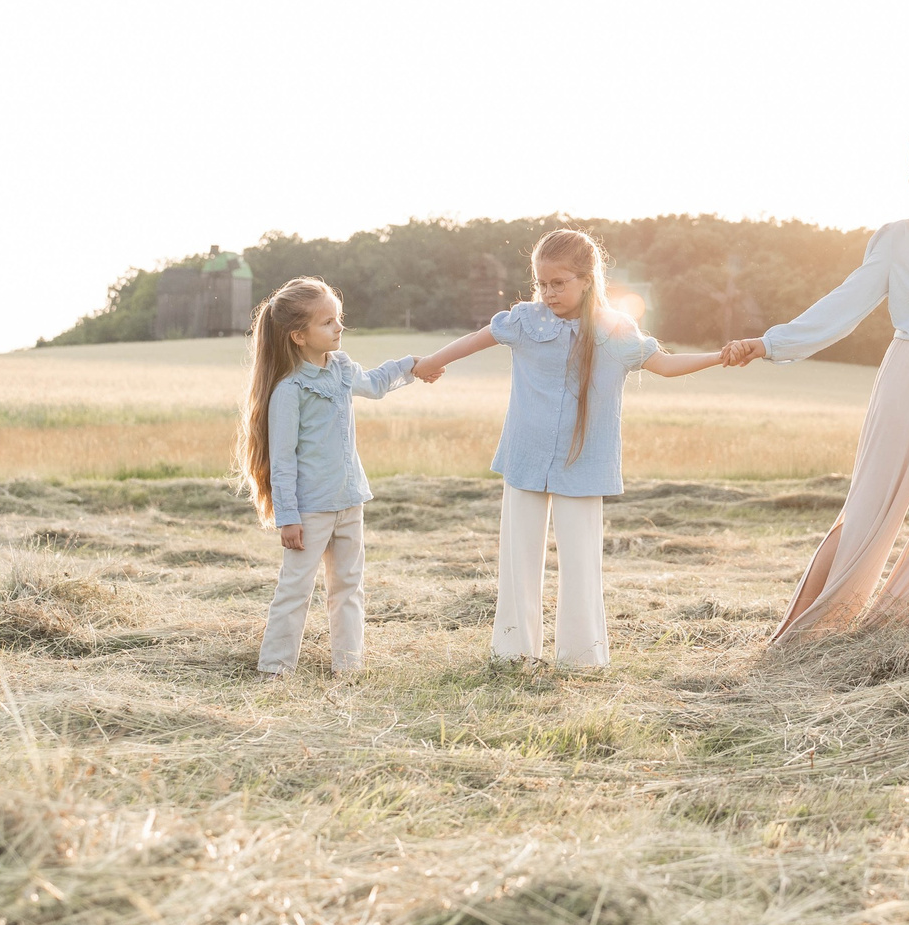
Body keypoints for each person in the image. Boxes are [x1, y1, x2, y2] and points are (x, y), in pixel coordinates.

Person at [722, 128, 909, 642]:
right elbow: (845, 306)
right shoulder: (898, 238)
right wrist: (773, 343)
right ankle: (799, 637)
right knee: (869, 510)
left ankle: (898, 636)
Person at [415, 229, 725, 667]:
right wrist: (431, 362)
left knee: (580, 563)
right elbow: (475, 338)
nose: (548, 292)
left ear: (587, 279)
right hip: (526, 456)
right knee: (518, 559)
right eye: (542, 283)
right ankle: (512, 654)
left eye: (558, 283)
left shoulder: (615, 331)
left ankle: (581, 659)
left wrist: (720, 356)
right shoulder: (525, 320)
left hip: (583, 461)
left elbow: (666, 365)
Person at [240, 277, 420, 679]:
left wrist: (410, 366)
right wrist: (287, 516)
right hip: (310, 511)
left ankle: (348, 667)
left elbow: (374, 384)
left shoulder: (340, 368)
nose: (339, 327)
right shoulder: (290, 390)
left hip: (350, 500)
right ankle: (275, 670)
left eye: (338, 318)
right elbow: (283, 460)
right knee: (295, 590)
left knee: (348, 587)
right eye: (327, 322)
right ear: (299, 336)